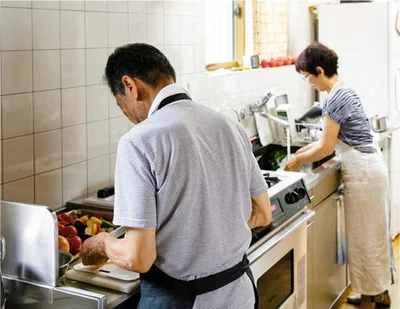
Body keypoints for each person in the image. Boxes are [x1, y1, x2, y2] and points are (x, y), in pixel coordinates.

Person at [80, 43, 272, 309]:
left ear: (130, 85)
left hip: (184, 301)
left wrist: (102, 243)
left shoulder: (139, 141)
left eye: (120, 102)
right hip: (239, 294)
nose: (127, 114)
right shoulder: (230, 125)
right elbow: (263, 214)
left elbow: (138, 258)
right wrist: (212, 234)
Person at [285, 42, 394, 309]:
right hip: (369, 167)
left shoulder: (334, 99)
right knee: (376, 234)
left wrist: (298, 159)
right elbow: (327, 141)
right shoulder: (344, 88)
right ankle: (381, 295)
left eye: (307, 76)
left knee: (364, 238)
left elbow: (325, 146)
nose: (308, 82)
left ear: (319, 71)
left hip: (363, 173)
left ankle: (369, 300)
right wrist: (299, 155)